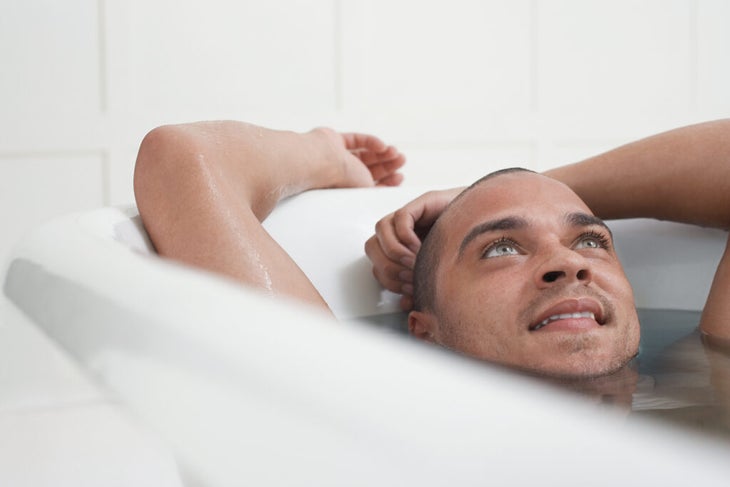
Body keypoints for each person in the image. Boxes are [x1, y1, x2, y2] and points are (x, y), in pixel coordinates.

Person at [133, 119, 730, 380]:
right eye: (500, 248)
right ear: (425, 330)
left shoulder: (716, 377)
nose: (568, 263)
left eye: (591, 240)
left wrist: (502, 187)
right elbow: (181, 160)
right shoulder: (351, 409)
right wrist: (323, 153)